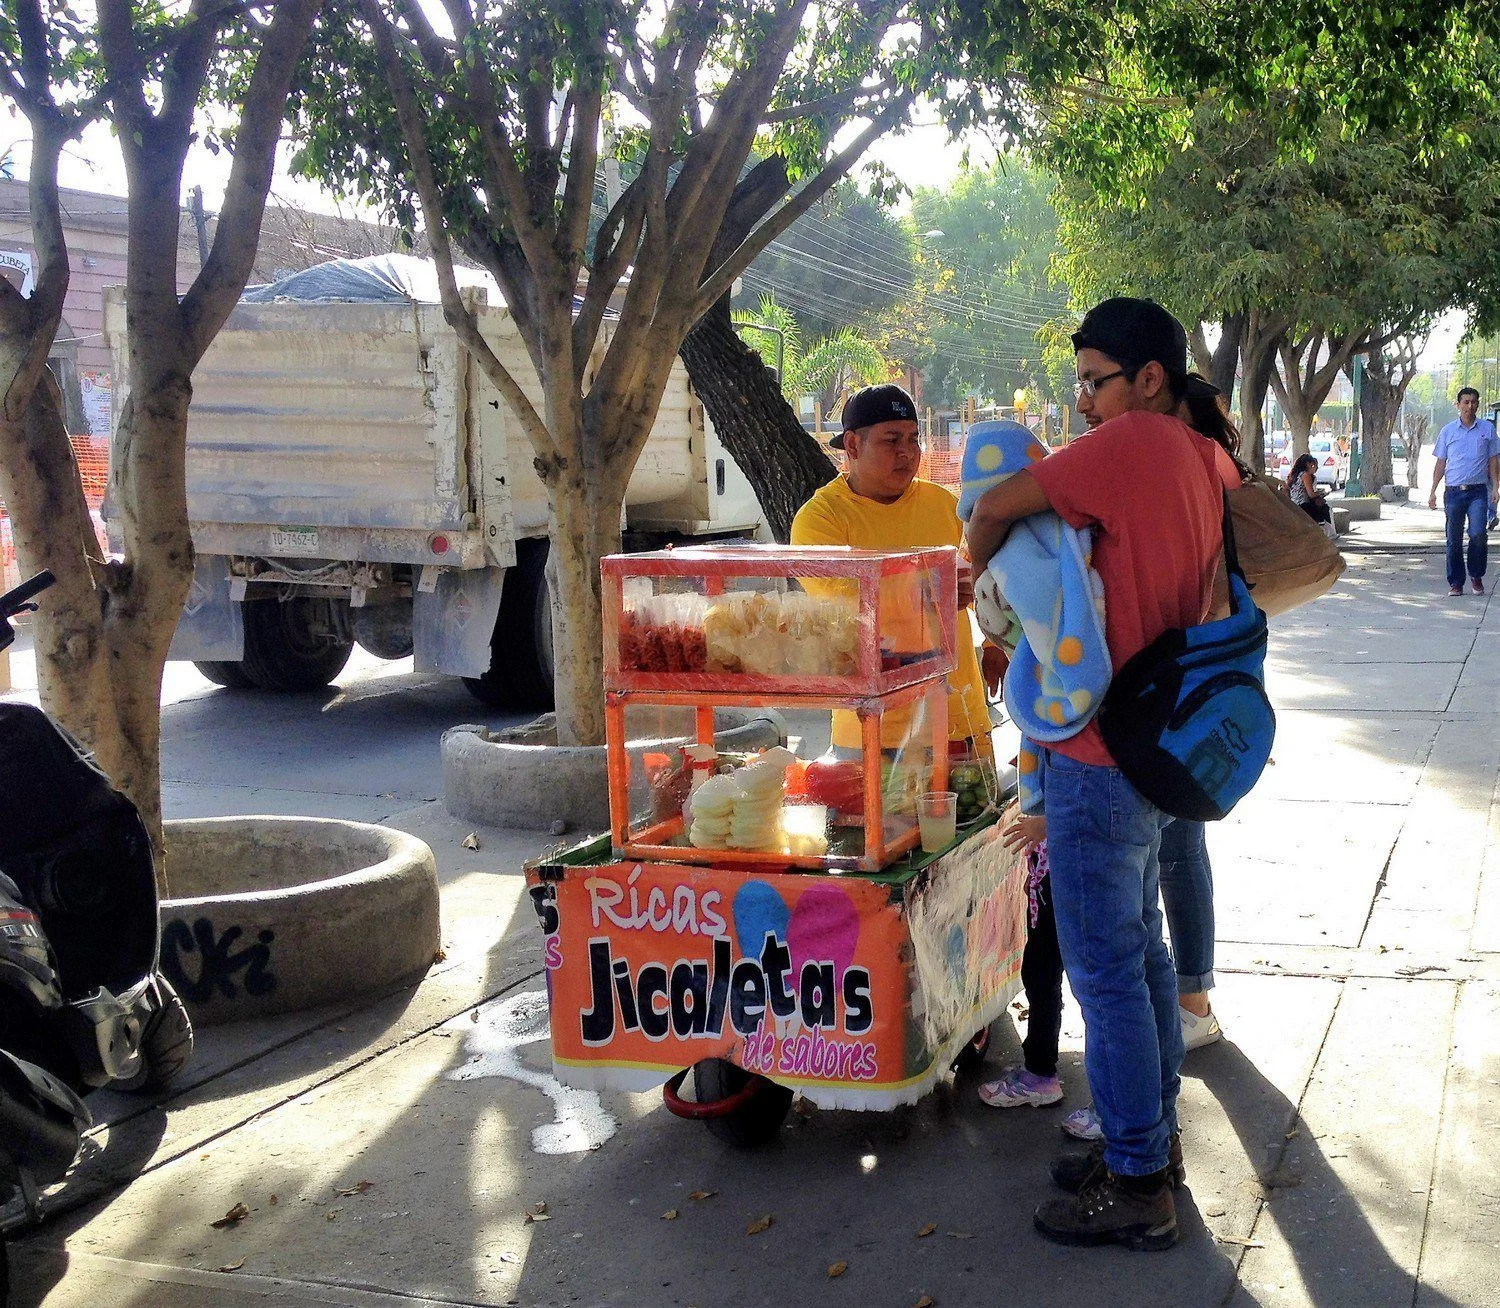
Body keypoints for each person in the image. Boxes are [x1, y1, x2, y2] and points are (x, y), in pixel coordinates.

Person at [966, 297, 1231, 1253]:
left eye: (1092, 380)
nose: (1081, 401)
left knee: (1108, 975)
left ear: (1147, 378)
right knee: (1145, 956)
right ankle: (1149, 1140)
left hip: (1094, 754)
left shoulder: (1133, 445)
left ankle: (1135, 1181)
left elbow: (996, 504)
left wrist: (980, 587)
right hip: (1161, 745)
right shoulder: (1203, 455)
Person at [791, 383, 992, 758]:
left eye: (914, 439)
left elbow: (984, 576)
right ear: (852, 446)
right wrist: (934, 588)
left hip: (958, 715)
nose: (907, 453)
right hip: (871, 727)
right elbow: (846, 610)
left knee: (976, 817)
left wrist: (995, 643)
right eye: (891, 440)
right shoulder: (820, 520)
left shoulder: (944, 505)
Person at [1428, 386, 1500, 595]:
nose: (1469, 406)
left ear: (1478, 404)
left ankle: (1476, 576)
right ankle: (1456, 582)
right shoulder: (1448, 431)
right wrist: (1432, 490)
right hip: (1453, 493)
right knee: (1453, 537)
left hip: (1478, 491)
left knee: (1478, 533)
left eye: (1473, 402)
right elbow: (1440, 463)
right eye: (1465, 402)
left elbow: (1494, 460)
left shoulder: (1487, 430)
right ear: (1458, 405)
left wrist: (1496, 487)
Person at [1286, 453, 1333, 529]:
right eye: (1313, 465)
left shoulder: (1293, 475)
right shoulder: (1306, 475)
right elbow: (1311, 494)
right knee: (1323, 507)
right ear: (1308, 464)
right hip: (1302, 504)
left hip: (1293, 503)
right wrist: (1322, 493)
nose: (1315, 468)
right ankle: (1323, 528)